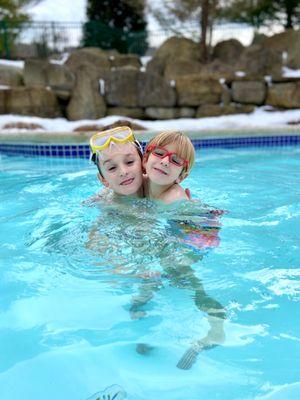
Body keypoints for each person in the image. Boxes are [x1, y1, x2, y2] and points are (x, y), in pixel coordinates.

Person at [89, 126, 144, 199]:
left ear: (143, 163)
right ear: (103, 179)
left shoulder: (160, 190)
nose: (123, 172)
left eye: (129, 162)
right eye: (112, 168)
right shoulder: (105, 205)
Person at [142, 131, 195, 204]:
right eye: (159, 153)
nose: (165, 162)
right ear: (145, 160)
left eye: (175, 160)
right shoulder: (136, 182)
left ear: (181, 177)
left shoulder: (175, 199)